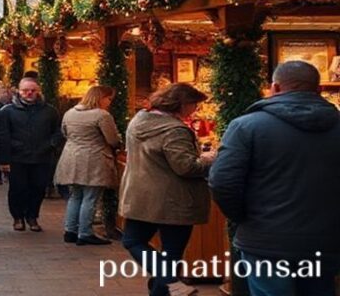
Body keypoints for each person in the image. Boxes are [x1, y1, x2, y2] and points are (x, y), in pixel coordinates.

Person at [209, 61, 340, 296]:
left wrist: (244, 217)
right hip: (325, 238)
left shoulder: (247, 126)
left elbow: (222, 182)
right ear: (318, 90)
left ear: (274, 88)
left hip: (265, 240)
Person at [119, 83, 215, 296]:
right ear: (181, 104)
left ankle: (165, 285)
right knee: (171, 254)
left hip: (141, 197)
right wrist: (209, 159)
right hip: (176, 200)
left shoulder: (138, 121)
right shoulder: (175, 130)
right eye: (194, 105)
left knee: (133, 240)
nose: (195, 110)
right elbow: (186, 167)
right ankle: (172, 282)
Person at [54, 85, 121, 246]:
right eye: (108, 99)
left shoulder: (70, 113)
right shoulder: (102, 115)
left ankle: (70, 230)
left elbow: (64, 132)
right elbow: (112, 140)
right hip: (94, 159)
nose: (109, 102)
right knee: (91, 197)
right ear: (100, 98)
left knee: (75, 196)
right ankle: (85, 232)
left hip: (71, 157)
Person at [0, 77, 62, 232]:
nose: (29, 93)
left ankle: (32, 216)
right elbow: (2, 135)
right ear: (19, 91)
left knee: (38, 188)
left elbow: (58, 131)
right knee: (18, 188)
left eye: (33, 90)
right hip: (17, 157)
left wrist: (51, 144)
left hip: (42, 157)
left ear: (38, 91)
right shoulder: (8, 111)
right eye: (25, 90)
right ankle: (18, 217)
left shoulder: (49, 110)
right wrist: (4, 158)